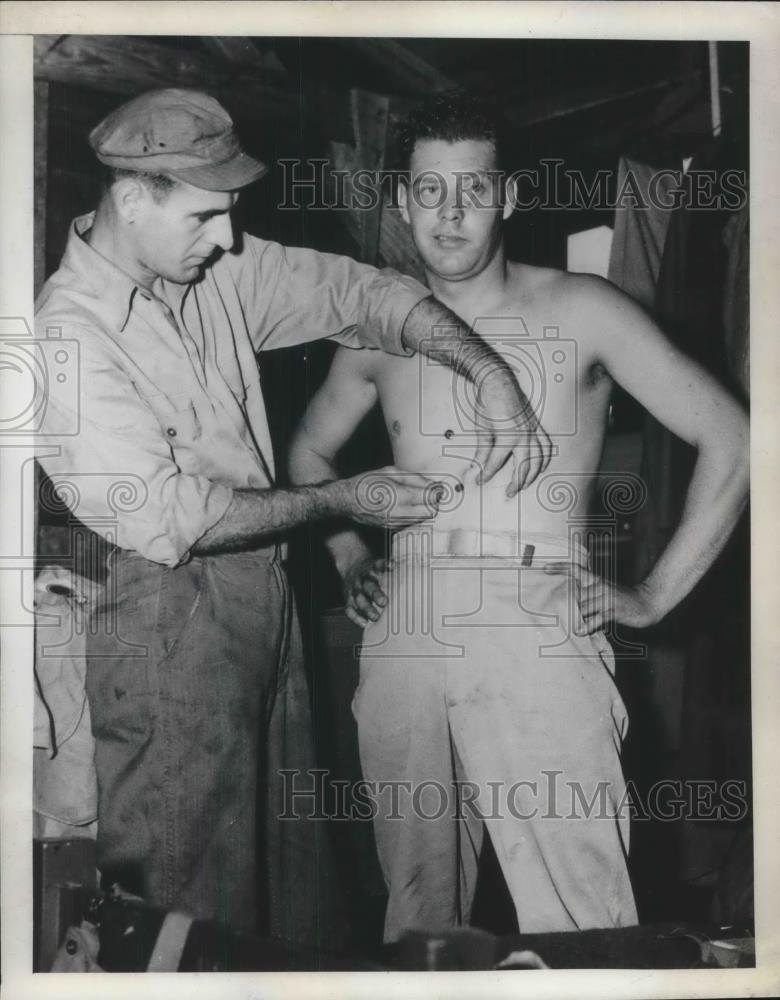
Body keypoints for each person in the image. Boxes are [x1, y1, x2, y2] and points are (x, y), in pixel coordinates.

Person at [34, 88, 551, 943]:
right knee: (185, 911)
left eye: (230, 216)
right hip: (167, 619)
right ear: (132, 199)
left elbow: (363, 292)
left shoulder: (209, 269)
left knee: (292, 900)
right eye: (207, 217)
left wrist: (487, 371)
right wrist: (343, 503)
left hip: (262, 600)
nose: (228, 239)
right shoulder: (68, 336)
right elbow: (177, 517)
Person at [288, 92, 749, 942]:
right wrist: (352, 556)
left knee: (582, 919)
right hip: (408, 631)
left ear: (507, 197)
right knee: (419, 919)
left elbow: (735, 435)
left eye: (471, 190)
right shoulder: (375, 336)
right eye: (429, 192)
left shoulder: (583, 309)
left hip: (536, 618)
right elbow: (308, 456)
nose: (450, 213)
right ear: (403, 203)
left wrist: (653, 595)